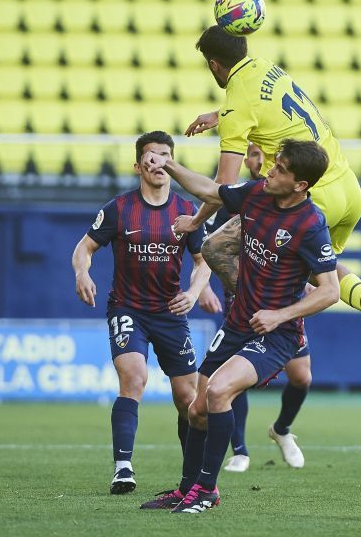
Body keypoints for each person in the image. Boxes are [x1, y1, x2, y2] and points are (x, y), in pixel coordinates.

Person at [178, 25, 361, 368]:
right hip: (348, 188)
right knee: (322, 269)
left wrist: (195, 222)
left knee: (216, 247)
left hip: (310, 195)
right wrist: (219, 116)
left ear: (213, 65)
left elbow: (223, 184)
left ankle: (273, 321)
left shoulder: (237, 103)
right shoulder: (266, 67)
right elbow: (260, 107)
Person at [139, 139, 340, 514]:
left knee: (218, 392)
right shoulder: (256, 194)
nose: (271, 171)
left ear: (301, 185)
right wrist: (169, 164)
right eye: (274, 163)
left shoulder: (311, 224)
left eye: (280, 169)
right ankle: (186, 489)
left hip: (276, 334)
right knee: (195, 409)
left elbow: (330, 291)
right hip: (237, 322)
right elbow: (209, 189)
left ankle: (207, 491)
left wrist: (279, 315)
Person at [71, 131, 211, 495]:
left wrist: (194, 292)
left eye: (166, 156)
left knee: (188, 398)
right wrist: (82, 271)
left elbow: (203, 261)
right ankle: (123, 468)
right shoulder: (119, 208)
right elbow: (84, 248)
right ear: (138, 166)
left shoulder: (186, 211)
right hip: (128, 307)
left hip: (170, 313)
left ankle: (192, 476)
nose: (159, 162)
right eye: (151, 156)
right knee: (134, 378)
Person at [205, 143, 312, 473]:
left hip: (280, 305)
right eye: (253, 154)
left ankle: (281, 430)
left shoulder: (297, 209)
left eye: (267, 156)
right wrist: (204, 287)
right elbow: (209, 248)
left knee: (302, 377)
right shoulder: (238, 199)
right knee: (235, 378)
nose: (261, 161)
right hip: (241, 302)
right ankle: (239, 449)